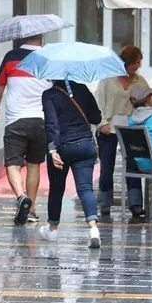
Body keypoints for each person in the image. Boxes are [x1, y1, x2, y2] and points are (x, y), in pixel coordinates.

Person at [0, 34, 52, 225]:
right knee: (34, 166)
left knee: (13, 164)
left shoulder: (11, 57)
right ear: (41, 37)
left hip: (16, 120)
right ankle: (31, 210)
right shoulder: (50, 58)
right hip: (42, 121)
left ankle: (20, 196)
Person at [39, 80, 102, 248]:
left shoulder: (49, 95)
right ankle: (93, 229)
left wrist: (53, 150)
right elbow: (97, 117)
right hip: (85, 146)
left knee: (57, 188)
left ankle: (52, 229)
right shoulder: (82, 89)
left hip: (62, 147)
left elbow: (52, 124)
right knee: (85, 188)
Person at [95, 46, 150, 217]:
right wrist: (102, 123)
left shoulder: (140, 81)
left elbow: (148, 103)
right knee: (107, 166)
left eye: (139, 63)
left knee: (133, 166)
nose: (137, 66)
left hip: (130, 128)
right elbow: (98, 102)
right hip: (108, 129)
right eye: (135, 62)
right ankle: (104, 203)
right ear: (126, 61)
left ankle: (135, 204)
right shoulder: (107, 78)